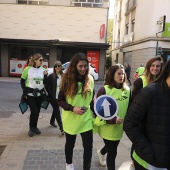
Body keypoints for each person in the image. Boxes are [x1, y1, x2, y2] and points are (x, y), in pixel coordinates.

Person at [123, 59, 170, 170]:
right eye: (152, 66)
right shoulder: (145, 87)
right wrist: (147, 151)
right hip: (149, 160)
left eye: (158, 66)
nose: (155, 68)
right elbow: (130, 122)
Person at [57, 53, 95, 170]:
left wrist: (96, 114)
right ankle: (69, 164)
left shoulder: (90, 79)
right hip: (71, 119)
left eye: (85, 66)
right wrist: (72, 108)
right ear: (74, 66)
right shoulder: (67, 80)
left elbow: (91, 100)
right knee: (70, 144)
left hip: (86, 119)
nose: (83, 69)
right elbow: (60, 100)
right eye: (80, 66)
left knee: (88, 147)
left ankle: (86, 167)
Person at [95, 64, 131, 170]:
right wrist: (113, 119)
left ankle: (101, 153)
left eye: (123, 74)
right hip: (107, 127)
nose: (122, 76)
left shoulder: (127, 90)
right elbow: (98, 111)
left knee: (113, 145)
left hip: (119, 127)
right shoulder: (104, 90)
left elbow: (129, 107)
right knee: (113, 152)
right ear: (112, 75)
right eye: (119, 74)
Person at [20, 53, 48, 137]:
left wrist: (45, 76)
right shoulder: (27, 69)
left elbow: (45, 83)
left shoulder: (43, 70)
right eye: (40, 60)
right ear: (35, 60)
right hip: (30, 94)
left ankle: (35, 127)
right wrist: (24, 92)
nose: (42, 61)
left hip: (39, 94)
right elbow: (22, 81)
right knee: (34, 111)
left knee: (37, 112)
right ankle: (31, 128)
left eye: (42, 60)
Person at [45, 60, 64, 136]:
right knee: (57, 111)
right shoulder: (51, 76)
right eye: (55, 66)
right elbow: (46, 86)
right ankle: (62, 129)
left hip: (60, 97)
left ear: (61, 67)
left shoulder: (64, 76)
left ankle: (52, 121)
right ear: (54, 67)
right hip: (53, 98)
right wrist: (50, 94)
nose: (57, 67)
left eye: (59, 66)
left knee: (55, 110)